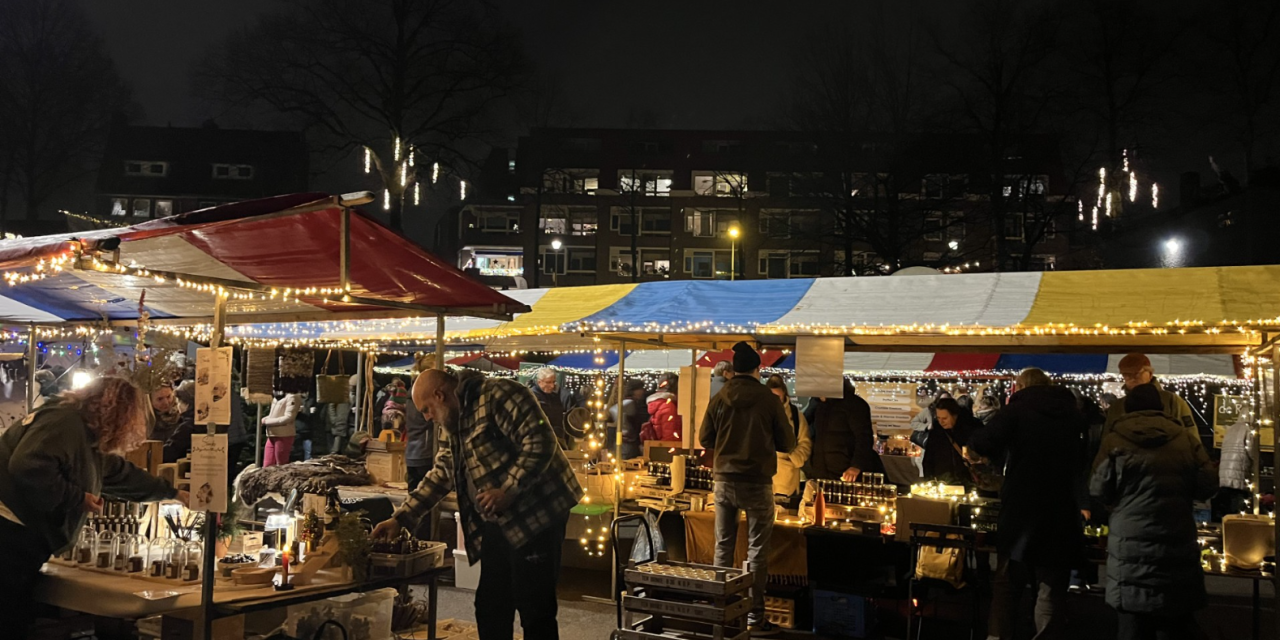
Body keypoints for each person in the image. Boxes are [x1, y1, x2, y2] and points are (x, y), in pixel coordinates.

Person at [372, 369, 582, 640]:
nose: (426, 417)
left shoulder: (502, 394)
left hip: (538, 513)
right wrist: (401, 519)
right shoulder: (452, 420)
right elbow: (443, 472)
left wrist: (508, 489)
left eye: (427, 409)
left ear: (441, 395)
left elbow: (540, 443)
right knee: (490, 604)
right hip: (498, 518)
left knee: (534, 606)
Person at [0, 376, 186, 633]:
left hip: (18, 533)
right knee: (8, 618)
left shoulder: (83, 433)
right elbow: (29, 466)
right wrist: (78, 498)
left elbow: (118, 474)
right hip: (9, 532)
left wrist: (173, 492)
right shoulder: (64, 423)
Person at [1090, 383, 1217, 640]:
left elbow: (1098, 488)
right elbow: (1207, 486)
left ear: (1127, 408)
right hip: (1176, 538)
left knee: (1132, 626)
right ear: (1160, 407)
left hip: (1129, 546)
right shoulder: (1185, 439)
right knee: (1173, 623)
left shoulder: (1114, 441)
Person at [967, 368, 1086, 640]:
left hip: (1022, 509)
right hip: (1061, 509)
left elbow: (983, 441)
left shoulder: (1017, 410)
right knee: (1051, 586)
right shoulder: (1072, 413)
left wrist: (976, 439)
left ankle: (999, 637)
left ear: (1019, 386)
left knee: (1008, 583)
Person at [700, 342, 795, 636]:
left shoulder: (719, 397)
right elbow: (788, 443)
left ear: (733, 369)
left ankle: (721, 609)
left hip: (724, 481)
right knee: (757, 552)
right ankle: (754, 616)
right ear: (757, 369)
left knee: (723, 547)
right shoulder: (769, 400)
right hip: (757, 482)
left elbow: (705, 438)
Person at [808, 379, 884, 482]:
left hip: (846, 472)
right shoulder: (819, 406)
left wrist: (856, 465)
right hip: (823, 472)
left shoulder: (854, 404)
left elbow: (864, 437)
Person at [1104, 354, 1196, 435]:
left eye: (1136, 373)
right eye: (1126, 375)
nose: (1131, 378)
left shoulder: (1173, 401)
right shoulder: (1117, 407)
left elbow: (1191, 436)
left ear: (1150, 374)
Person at [766, 376, 811, 500]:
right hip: (761, 475)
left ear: (784, 395)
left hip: (786, 478)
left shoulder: (796, 415)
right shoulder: (759, 412)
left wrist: (793, 459)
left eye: (778, 397)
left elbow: (805, 442)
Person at [921, 397, 980, 484]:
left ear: (955, 415)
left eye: (944, 418)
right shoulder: (936, 432)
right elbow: (928, 459)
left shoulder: (972, 429)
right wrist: (929, 480)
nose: (941, 422)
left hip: (969, 482)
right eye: (938, 418)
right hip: (943, 482)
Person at [529, 367, 582, 450]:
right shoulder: (532, 396)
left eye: (553, 382)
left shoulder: (553, 396)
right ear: (540, 382)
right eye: (548, 382)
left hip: (556, 436)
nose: (552, 385)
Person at [1216, 417, 1253, 517]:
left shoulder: (1230, 429)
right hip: (1238, 476)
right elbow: (1252, 452)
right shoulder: (1248, 430)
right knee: (1238, 515)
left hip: (1224, 476)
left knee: (1227, 514)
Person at [261, 391, 303, 467]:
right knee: (267, 464)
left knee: (281, 464)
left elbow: (289, 417)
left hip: (284, 434)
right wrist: (266, 418)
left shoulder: (292, 396)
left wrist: (267, 421)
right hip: (272, 434)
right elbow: (274, 414)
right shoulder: (277, 396)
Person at [609, 379, 648, 460]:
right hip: (629, 444)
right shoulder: (631, 404)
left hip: (621, 442)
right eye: (640, 388)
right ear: (634, 390)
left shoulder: (622, 404)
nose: (642, 391)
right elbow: (635, 425)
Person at [641, 372, 682, 442]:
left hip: (658, 445)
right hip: (667, 447)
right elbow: (670, 435)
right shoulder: (669, 406)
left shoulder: (659, 403)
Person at [405, 393, 434, 490]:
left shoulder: (409, 401)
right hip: (424, 450)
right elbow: (427, 421)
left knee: (413, 490)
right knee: (425, 488)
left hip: (411, 451)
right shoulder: (421, 402)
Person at [164, 380, 197, 463]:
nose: (177, 405)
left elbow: (169, 452)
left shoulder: (187, 426)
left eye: (178, 402)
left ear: (186, 404)